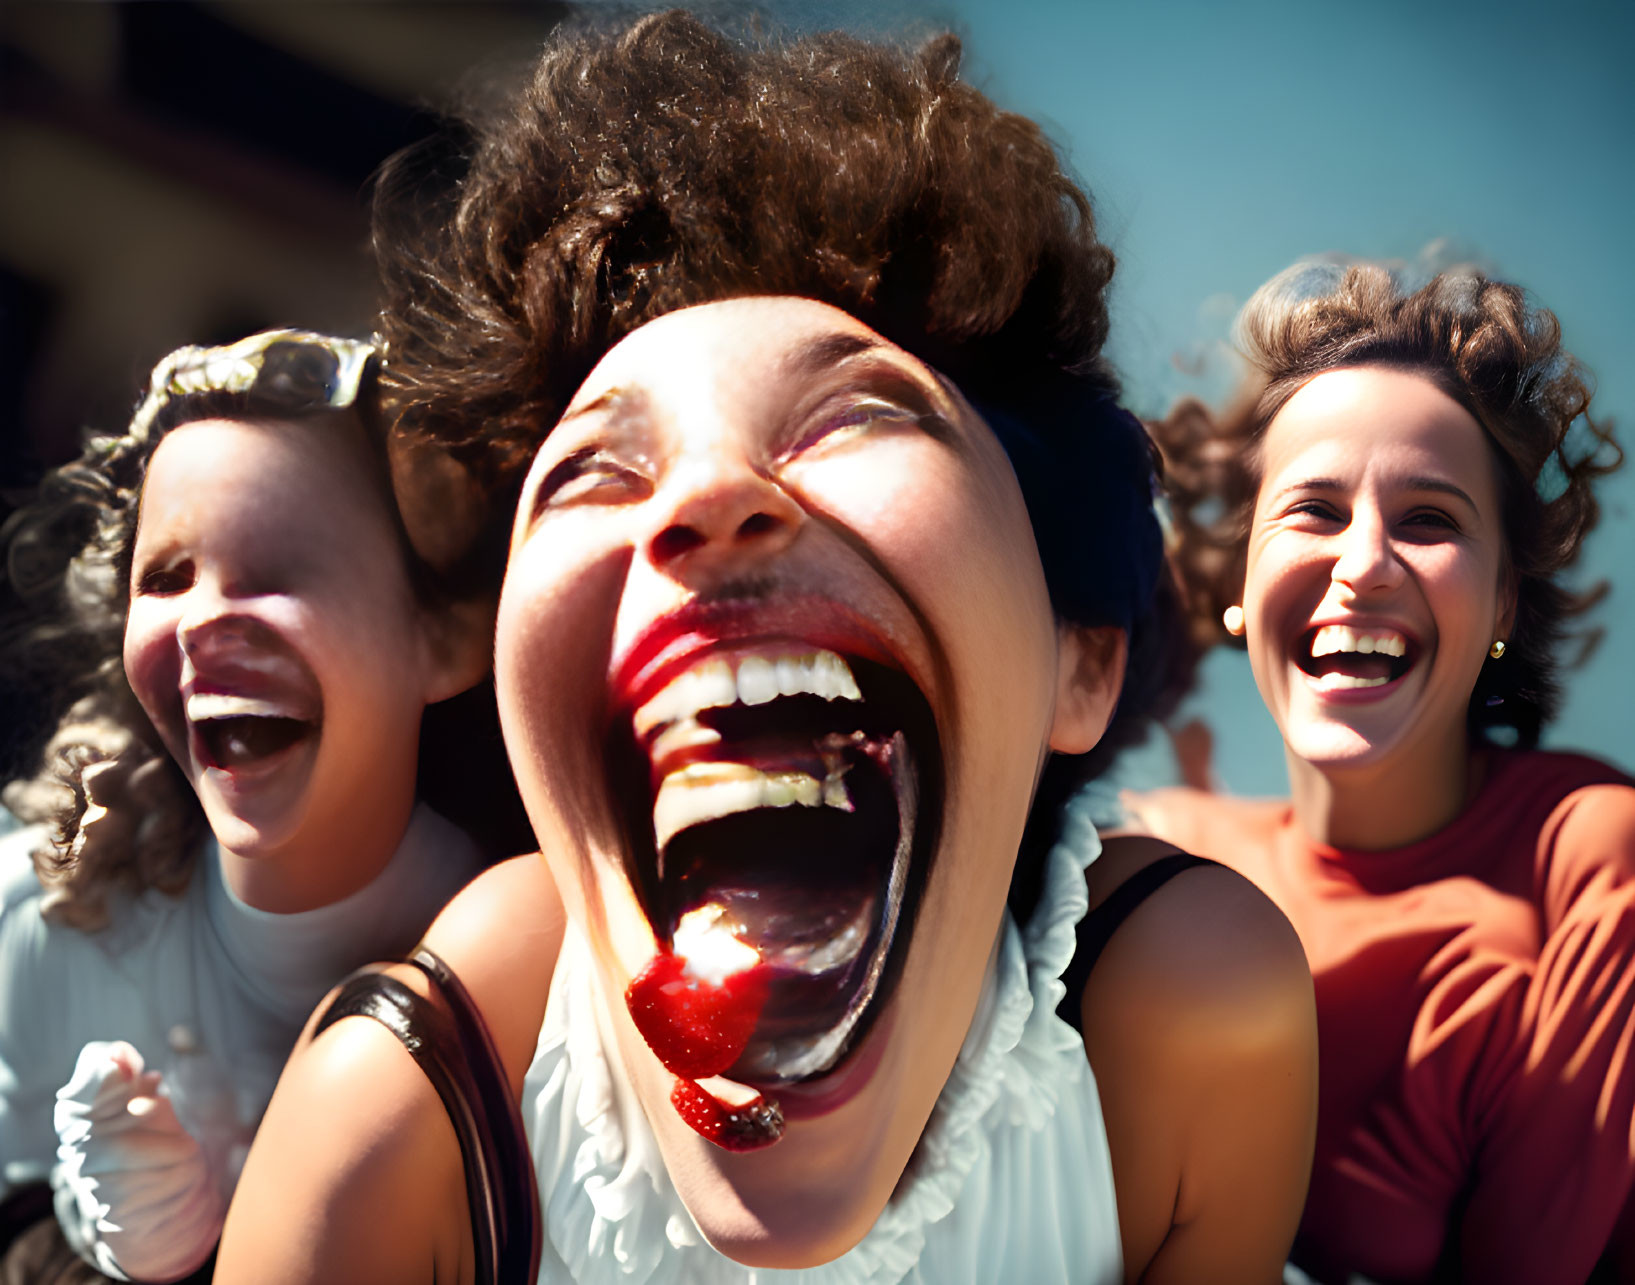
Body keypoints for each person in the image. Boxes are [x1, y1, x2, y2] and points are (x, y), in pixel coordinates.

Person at [218, 14, 1318, 1284]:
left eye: (854, 413)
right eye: (590, 472)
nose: (702, 495)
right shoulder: (408, 1110)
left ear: (1079, 660)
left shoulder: (1192, 1031)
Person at [1133, 260, 1635, 1284]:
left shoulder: (1592, 854)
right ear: (1235, 581)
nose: (1363, 560)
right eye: (1313, 509)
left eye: (1430, 520)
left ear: (1503, 606)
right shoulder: (1148, 854)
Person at [0, 329, 493, 1282]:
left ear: (446, 637)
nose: (207, 617)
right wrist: (77, 1238)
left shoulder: (532, 950)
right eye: (168, 576)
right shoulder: (45, 921)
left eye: (281, 570)